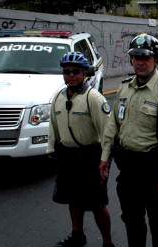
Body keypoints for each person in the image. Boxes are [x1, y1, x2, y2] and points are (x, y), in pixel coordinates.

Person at [99, 33, 158, 247]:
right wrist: (104, 158)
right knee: (132, 221)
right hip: (129, 171)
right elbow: (113, 124)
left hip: (155, 172)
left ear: (157, 60)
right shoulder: (125, 88)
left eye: (145, 58)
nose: (139, 62)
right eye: (135, 57)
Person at [48, 52, 115, 247]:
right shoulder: (58, 97)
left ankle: (107, 242)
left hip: (90, 157)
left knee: (97, 204)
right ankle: (77, 235)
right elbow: (53, 126)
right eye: (67, 71)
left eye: (75, 72)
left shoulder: (93, 98)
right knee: (73, 200)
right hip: (68, 157)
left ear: (85, 73)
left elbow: (107, 132)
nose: (70, 75)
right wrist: (52, 150)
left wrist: (105, 161)